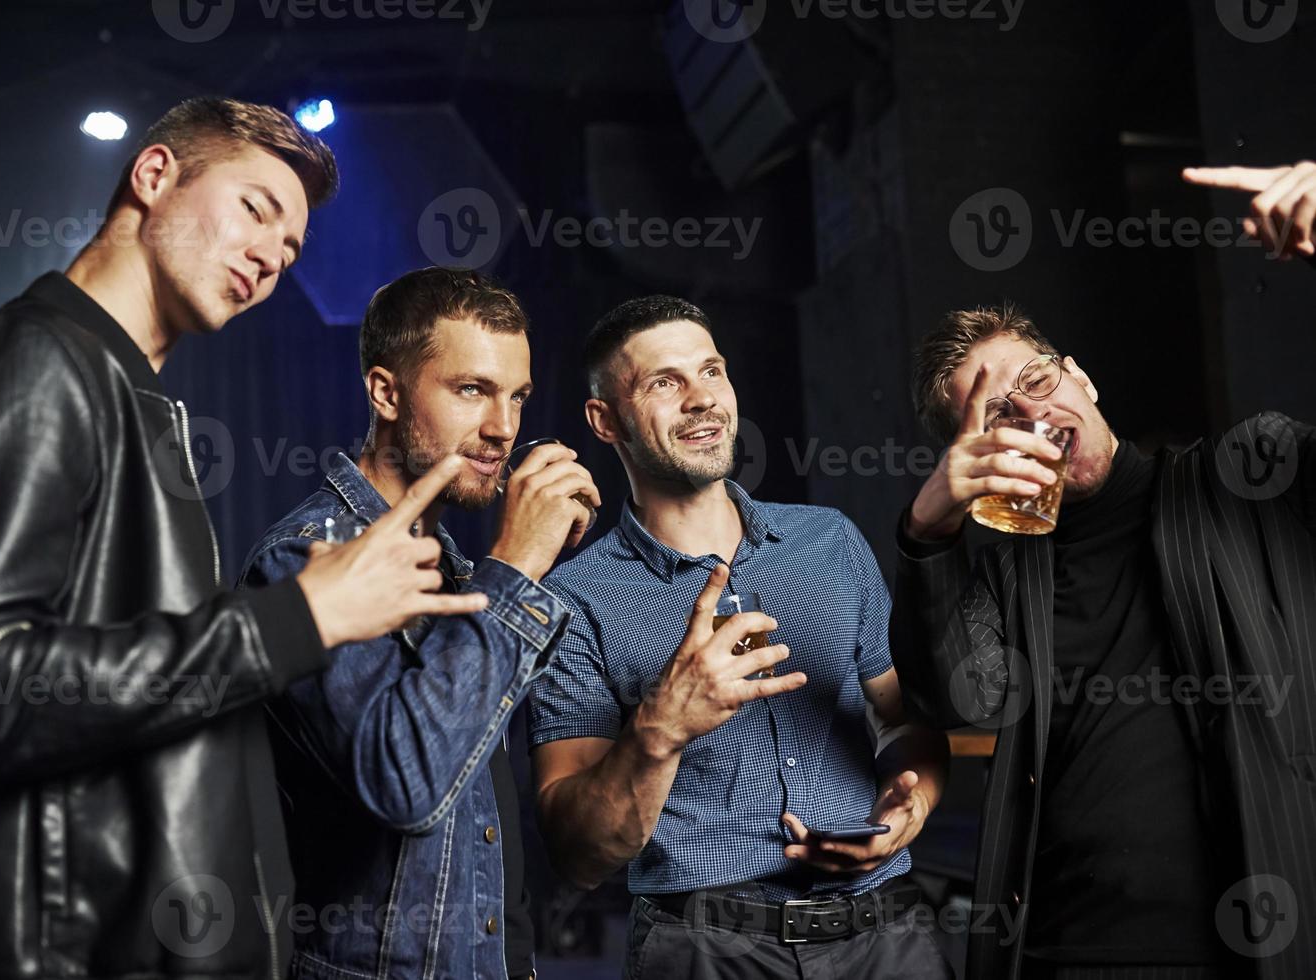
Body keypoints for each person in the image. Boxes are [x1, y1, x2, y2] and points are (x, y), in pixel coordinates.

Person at [0, 98, 486, 980]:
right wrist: (293, 620)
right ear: (153, 177)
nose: (272, 257)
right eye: (255, 211)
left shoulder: (125, 397)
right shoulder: (33, 363)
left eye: (291, 250)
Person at [890, 161, 1316, 979]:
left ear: (1079, 377)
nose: (1032, 415)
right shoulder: (1008, 579)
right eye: (994, 417)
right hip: (1063, 950)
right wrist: (928, 526)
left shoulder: (1247, 476)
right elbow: (956, 698)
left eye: (1036, 381)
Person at [529, 296, 953, 979]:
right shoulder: (574, 601)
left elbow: (904, 723)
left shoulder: (830, 541)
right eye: (664, 382)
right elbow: (577, 853)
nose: (701, 399)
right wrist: (659, 728)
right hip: (704, 951)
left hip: (887, 936)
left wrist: (914, 801)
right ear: (604, 420)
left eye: (711, 371)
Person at [239, 266, 600, 980]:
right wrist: (517, 567)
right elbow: (407, 785)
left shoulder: (461, 570)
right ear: (385, 392)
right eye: (471, 390)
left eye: (517, 397)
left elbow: (485, 831)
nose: (502, 429)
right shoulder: (305, 558)